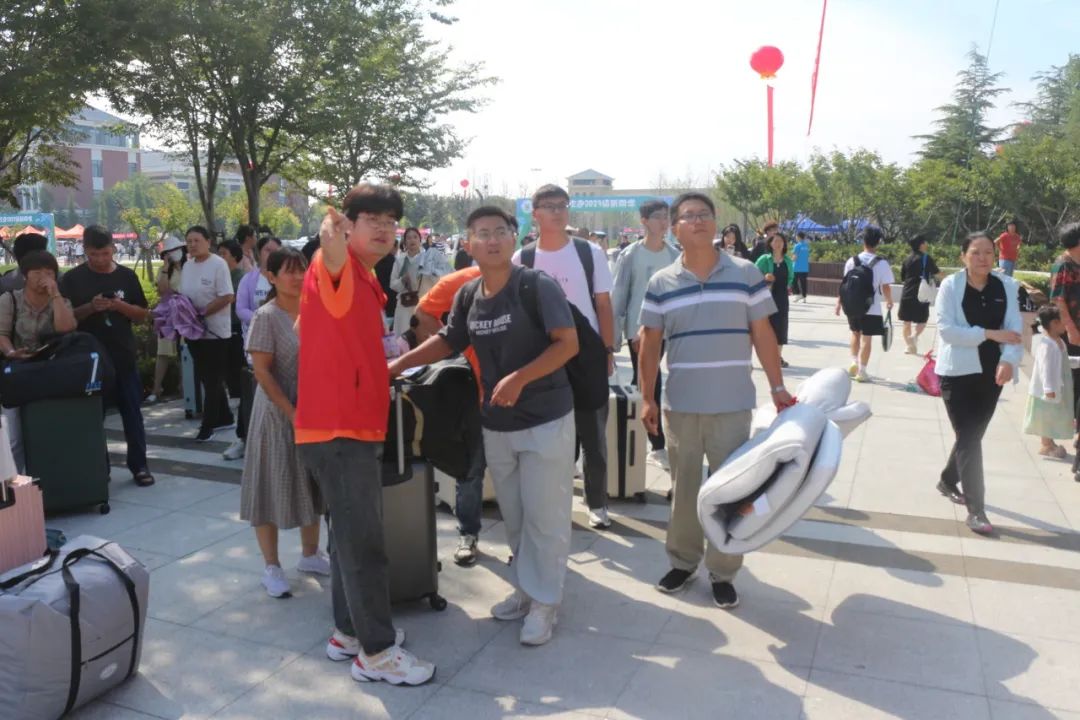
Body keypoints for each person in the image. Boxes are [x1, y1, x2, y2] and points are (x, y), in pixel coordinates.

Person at [390, 205, 579, 646]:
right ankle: (526, 591)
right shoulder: (468, 294)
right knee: (514, 514)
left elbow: (567, 344)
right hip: (496, 421)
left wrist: (520, 378)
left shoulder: (536, 285)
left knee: (545, 516)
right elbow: (448, 339)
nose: (491, 240)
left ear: (514, 238)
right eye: (481, 233)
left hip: (546, 419)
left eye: (499, 231)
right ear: (468, 243)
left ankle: (546, 602)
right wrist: (396, 365)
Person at [296, 184, 435, 686]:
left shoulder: (366, 276)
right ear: (347, 226)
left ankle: (348, 633)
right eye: (370, 218)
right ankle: (376, 654)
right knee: (364, 546)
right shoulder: (334, 266)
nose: (383, 228)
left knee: (347, 539)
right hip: (341, 429)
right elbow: (329, 264)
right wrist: (330, 245)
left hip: (345, 424)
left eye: (390, 220)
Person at [638, 192, 792, 609]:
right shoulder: (661, 283)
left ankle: (723, 571)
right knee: (684, 490)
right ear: (675, 228)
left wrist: (778, 387)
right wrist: (647, 398)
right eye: (688, 216)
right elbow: (650, 345)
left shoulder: (744, 273)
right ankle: (683, 562)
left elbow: (763, 333)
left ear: (715, 222)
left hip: (732, 405)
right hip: (682, 406)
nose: (698, 221)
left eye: (704, 214)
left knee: (732, 494)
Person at [513, 184, 615, 530]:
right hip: (544, 355)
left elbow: (603, 304)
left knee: (593, 434)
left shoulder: (589, 252)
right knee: (548, 434)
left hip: (587, 353)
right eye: (549, 206)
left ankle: (597, 503)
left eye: (562, 205)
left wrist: (608, 350)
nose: (557, 211)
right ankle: (553, 503)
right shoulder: (523, 258)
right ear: (535, 213)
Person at [240, 247, 330, 597]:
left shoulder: (316, 309)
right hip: (276, 415)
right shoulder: (266, 316)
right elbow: (262, 372)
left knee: (311, 483)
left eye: (301, 269)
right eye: (288, 271)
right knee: (268, 486)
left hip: (313, 412)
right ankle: (272, 567)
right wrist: (291, 412)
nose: (297, 277)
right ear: (271, 277)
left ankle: (310, 554)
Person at [934, 232, 1022, 536]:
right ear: (963, 256)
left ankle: (947, 480)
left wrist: (1008, 360)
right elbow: (947, 331)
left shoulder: (1006, 286)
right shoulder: (951, 286)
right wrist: (989, 333)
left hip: (992, 373)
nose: (983, 258)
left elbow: (1014, 330)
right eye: (975, 252)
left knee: (971, 435)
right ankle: (976, 510)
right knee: (970, 437)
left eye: (988, 252)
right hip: (956, 373)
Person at [60, 225, 154, 487]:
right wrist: (91, 307)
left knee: (132, 414)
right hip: (89, 361)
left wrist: (119, 306)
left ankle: (140, 465)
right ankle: (100, 468)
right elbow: (64, 319)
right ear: (85, 250)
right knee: (93, 418)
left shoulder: (126, 276)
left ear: (113, 248)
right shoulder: (72, 279)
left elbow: (143, 314)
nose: (100, 259)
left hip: (123, 356)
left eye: (105, 253)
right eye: (94, 254)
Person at [412, 250, 487, 567]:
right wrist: (456, 349)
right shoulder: (463, 281)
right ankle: (468, 533)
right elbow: (423, 312)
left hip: (522, 400)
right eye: (484, 235)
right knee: (471, 467)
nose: (493, 243)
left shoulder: (530, 281)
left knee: (522, 473)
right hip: (474, 394)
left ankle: (526, 544)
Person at [611, 199, 679, 470]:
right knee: (652, 380)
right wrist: (613, 339)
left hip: (668, 328)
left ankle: (637, 433)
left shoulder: (674, 254)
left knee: (646, 382)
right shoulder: (631, 255)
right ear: (644, 221)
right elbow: (619, 296)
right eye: (658, 216)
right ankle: (657, 445)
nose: (664, 222)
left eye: (666, 217)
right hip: (638, 330)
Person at [0, 250, 76, 472]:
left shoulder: (61, 301)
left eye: (49, 273)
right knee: (14, 437)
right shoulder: (10, 299)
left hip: (49, 373)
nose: (43, 277)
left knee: (47, 431)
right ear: (25, 276)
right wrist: (11, 352)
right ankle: (16, 484)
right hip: (17, 373)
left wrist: (55, 295)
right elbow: (1, 334)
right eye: (37, 273)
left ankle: (50, 479)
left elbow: (67, 328)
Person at [227, 236, 282, 460]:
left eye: (277, 250)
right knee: (252, 393)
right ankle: (243, 438)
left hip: (284, 345)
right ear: (259, 253)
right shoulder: (249, 280)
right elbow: (240, 309)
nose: (273, 254)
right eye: (268, 250)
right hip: (256, 345)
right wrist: (263, 318)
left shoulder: (287, 278)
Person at [179, 225, 236, 442]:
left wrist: (201, 313)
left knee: (212, 379)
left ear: (208, 242)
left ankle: (208, 425)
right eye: (189, 241)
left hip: (215, 332)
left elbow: (227, 296)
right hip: (193, 332)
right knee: (206, 377)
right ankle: (225, 417)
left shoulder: (218, 264)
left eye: (197, 240)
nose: (193, 245)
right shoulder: (187, 265)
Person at [836, 227, 895, 383]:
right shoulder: (882, 263)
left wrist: (839, 303)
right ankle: (862, 371)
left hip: (853, 305)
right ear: (878, 242)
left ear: (863, 241)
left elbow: (844, 285)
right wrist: (889, 300)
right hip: (872, 307)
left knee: (855, 333)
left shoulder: (852, 261)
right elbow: (886, 286)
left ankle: (854, 362)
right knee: (866, 339)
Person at [1024, 306, 1074, 459]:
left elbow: (1064, 361)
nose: (1066, 323)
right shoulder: (1046, 345)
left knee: (1052, 416)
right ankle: (1046, 445)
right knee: (1045, 417)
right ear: (1054, 323)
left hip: (1058, 387)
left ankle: (1050, 443)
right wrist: (1048, 388)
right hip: (1047, 390)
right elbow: (1045, 369)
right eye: (1063, 320)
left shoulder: (1059, 342)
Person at [147, 235, 186, 403]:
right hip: (167, 314)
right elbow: (162, 291)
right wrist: (165, 267)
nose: (173, 253)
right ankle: (156, 389)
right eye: (169, 252)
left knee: (185, 349)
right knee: (163, 351)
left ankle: (185, 386)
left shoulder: (190, 267)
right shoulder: (164, 270)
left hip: (186, 314)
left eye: (176, 250)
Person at [1050, 222, 1080, 417]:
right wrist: (1071, 329)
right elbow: (1058, 300)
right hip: (1071, 332)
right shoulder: (1063, 264)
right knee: (1072, 377)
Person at [755, 231, 794, 368]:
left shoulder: (788, 261)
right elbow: (752, 275)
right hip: (766, 297)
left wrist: (789, 286)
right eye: (775, 241)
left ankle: (777, 358)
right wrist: (764, 278)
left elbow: (791, 278)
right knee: (766, 327)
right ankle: (766, 357)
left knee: (781, 328)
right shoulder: (764, 259)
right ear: (770, 244)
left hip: (782, 297)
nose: (778, 244)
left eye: (781, 241)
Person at [898, 235, 943, 355]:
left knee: (906, 321)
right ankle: (914, 336)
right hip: (922, 293)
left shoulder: (907, 259)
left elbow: (903, 277)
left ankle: (909, 347)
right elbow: (937, 273)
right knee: (922, 319)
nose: (926, 244)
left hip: (907, 292)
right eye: (925, 242)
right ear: (921, 245)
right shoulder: (926, 258)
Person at [218, 240, 246, 400]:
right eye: (219, 253)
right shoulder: (219, 275)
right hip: (221, 326)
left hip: (235, 325)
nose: (220, 257)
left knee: (235, 364)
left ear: (234, 256)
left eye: (224, 254)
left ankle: (239, 397)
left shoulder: (240, 277)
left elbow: (231, 299)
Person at [389, 228, 425, 336]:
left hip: (423, 304)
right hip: (404, 305)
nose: (412, 240)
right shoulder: (399, 260)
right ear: (404, 242)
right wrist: (402, 280)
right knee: (403, 338)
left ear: (420, 240)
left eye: (415, 237)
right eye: (408, 238)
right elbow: (392, 284)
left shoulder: (428, 259)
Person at [792, 231, 811, 302]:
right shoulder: (806, 246)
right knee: (803, 283)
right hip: (805, 268)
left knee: (793, 281)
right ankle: (804, 297)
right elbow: (808, 257)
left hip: (796, 267)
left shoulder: (797, 246)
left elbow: (795, 257)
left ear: (799, 237)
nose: (795, 238)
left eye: (796, 236)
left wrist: (790, 260)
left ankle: (797, 294)